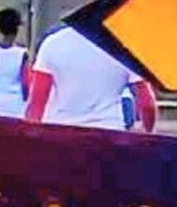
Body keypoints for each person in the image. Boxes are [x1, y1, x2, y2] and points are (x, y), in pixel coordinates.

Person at [24, 24, 157, 132]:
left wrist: (32, 134)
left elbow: (37, 102)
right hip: (108, 130)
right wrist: (147, 130)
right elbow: (147, 103)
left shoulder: (52, 43)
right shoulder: (123, 46)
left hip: (60, 130)